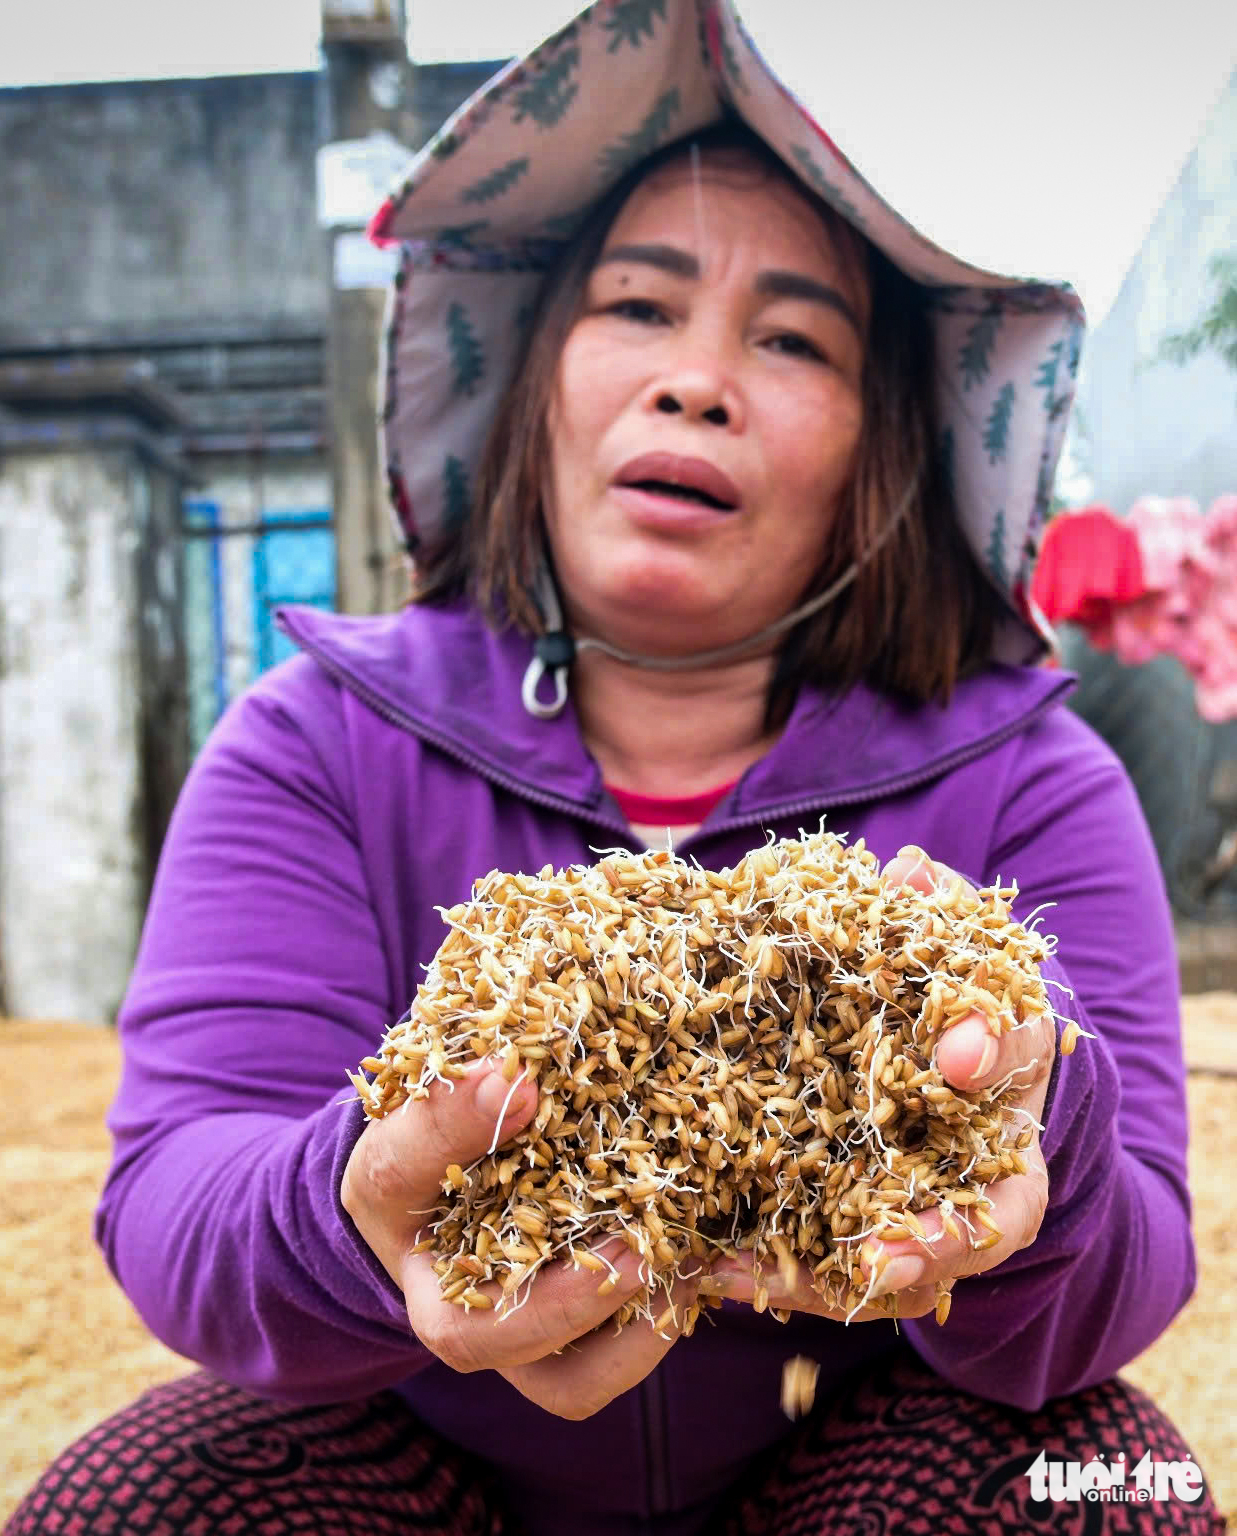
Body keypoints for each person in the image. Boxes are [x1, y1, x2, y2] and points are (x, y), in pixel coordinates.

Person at [6, 3, 1227, 1533]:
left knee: (1104, 1479)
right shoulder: (318, 740)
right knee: (143, 1497)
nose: (696, 377)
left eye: (790, 338)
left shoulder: (1025, 777)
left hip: (840, 1458)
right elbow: (184, 1192)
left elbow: (1126, 1273)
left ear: (882, 448)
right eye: (637, 307)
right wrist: (362, 1203)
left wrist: (1028, 1119)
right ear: (534, 382)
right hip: (427, 1465)